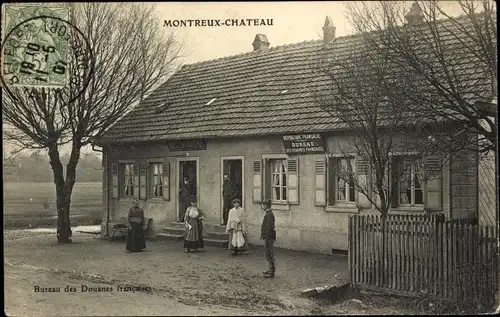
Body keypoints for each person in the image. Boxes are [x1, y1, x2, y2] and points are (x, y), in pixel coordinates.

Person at [260, 199, 276, 278]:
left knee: (269, 254)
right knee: (268, 254)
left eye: (263, 205)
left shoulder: (269, 214)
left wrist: (266, 237)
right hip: (268, 236)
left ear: (266, 205)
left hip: (268, 237)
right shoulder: (269, 214)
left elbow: (269, 227)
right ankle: (270, 269)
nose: (263, 206)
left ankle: (271, 272)